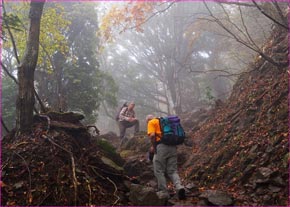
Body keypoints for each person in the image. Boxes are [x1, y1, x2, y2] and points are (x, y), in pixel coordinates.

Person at [146, 114, 186, 200]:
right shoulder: (164, 121)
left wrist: (154, 146)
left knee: (159, 169)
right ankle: (179, 187)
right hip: (173, 147)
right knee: (172, 171)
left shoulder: (151, 123)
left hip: (161, 147)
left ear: (148, 120)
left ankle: (163, 191)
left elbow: (152, 136)